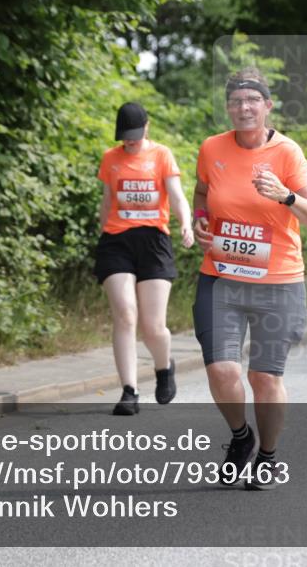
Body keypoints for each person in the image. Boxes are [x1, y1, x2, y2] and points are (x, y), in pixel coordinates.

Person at [193, 67, 307, 489]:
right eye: (235, 101)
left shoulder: (288, 153)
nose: (244, 108)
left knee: (264, 378)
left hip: (278, 281)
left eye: (252, 100)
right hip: (221, 277)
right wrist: (199, 219)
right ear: (228, 108)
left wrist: (285, 195)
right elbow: (202, 191)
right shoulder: (212, 147)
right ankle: (241, 436)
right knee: (221, 370)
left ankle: (267, 455)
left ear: (268, 105)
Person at [95, 103, 193, 415]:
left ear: (147, 127)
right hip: (117, 241)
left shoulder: (162, 155)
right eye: (125, 136)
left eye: (135, 135)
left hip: (154, 242)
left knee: (153, 326)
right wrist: (103, 232)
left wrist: (186, 224)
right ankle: (129, 391)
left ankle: (164, 368)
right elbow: (107, 201)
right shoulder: (111, 158)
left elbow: (176, 195)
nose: (130, 141)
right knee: (125, 314)